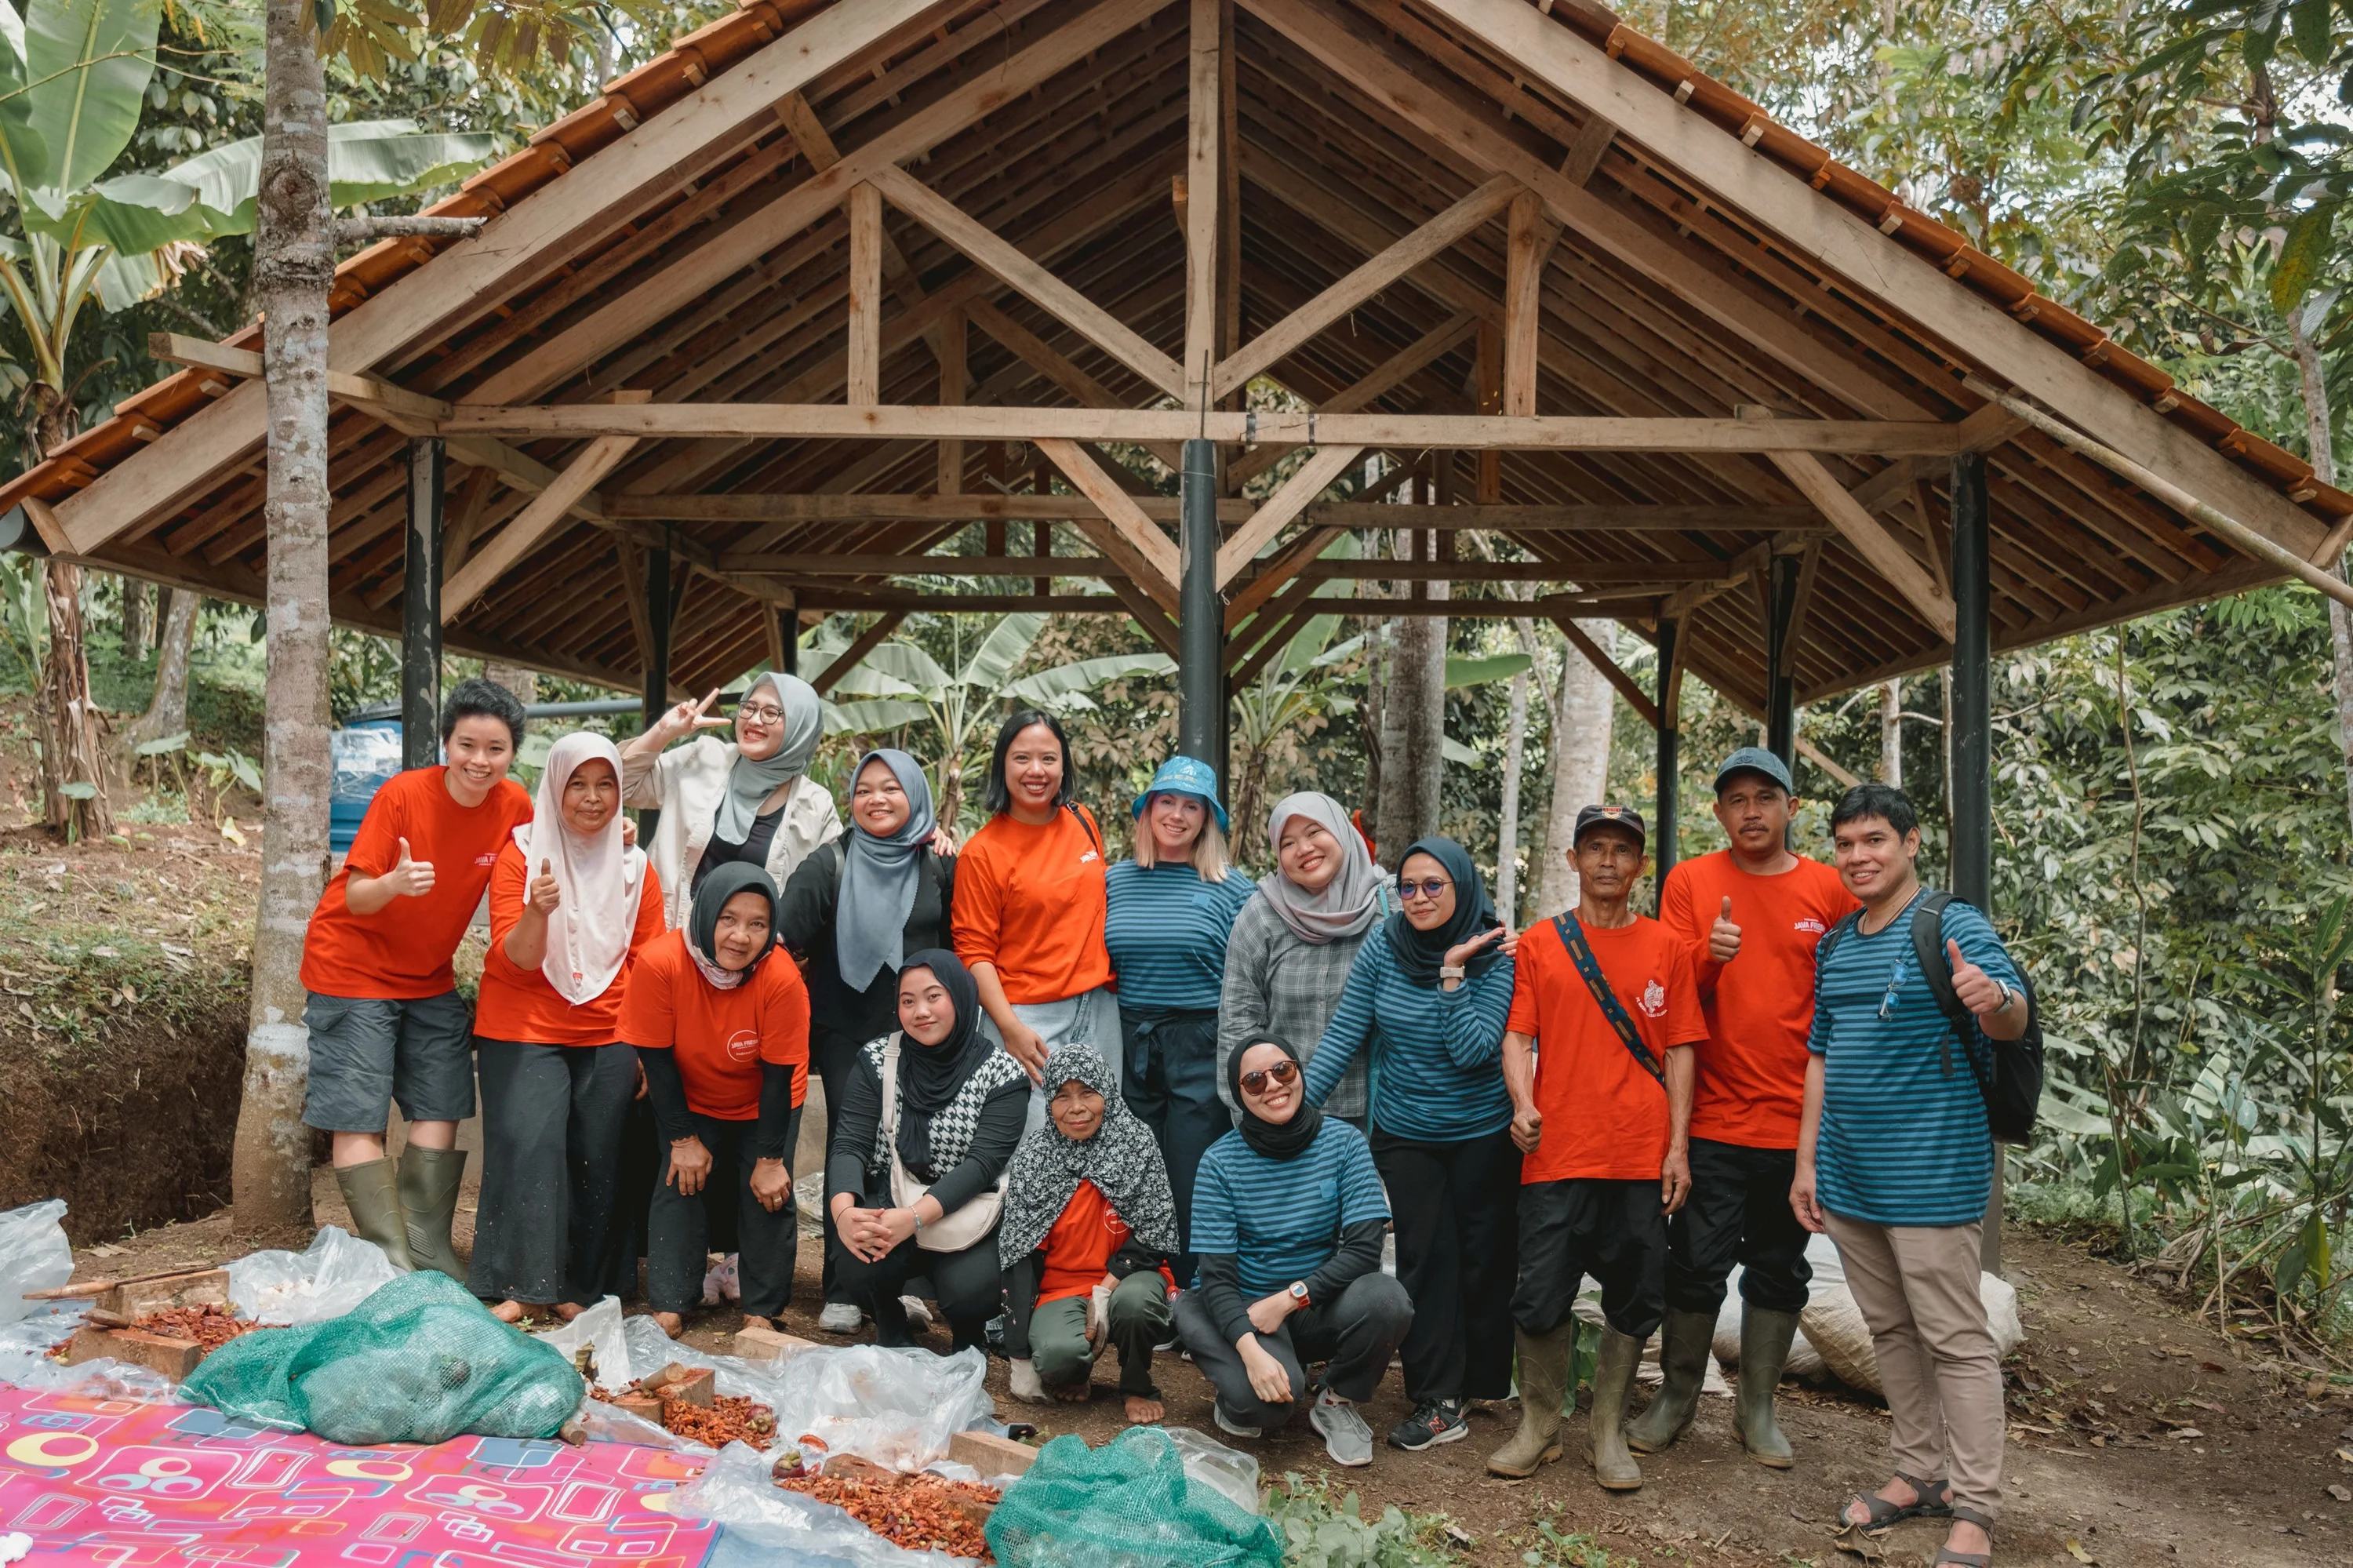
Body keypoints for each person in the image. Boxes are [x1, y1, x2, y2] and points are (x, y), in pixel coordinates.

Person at [1795, 784, 2024, 1568]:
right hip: (1852, 1177)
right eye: (1846, 843)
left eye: (1875, 841)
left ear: (1911, 842)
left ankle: (1977, 1504)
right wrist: (1807, 1161)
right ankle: (1918, 1472)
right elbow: (1820, 1057)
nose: (1859, 857)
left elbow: (2012, 1011)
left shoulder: (1949, 924)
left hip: (1934, 1176)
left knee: (1956, 1339)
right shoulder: (1836, 943)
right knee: (1890, 1329)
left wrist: (1990, 997)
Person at [1631, 748, 1860, 1464]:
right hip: (1711, 1117)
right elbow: (1664, 994)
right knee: (1695, 1261)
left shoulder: (1831, 888)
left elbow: (1852, 993)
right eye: (1736, 799)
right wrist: (1709, 955)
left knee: (1780, 1263)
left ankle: (1757, 1407)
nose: (1752, 810)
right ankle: (1677, 1396)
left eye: (1766, 796)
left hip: (1797, 1122)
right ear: (1720, 812)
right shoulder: (1692, 881)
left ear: (1794, 807)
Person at [1488, 805, 1707, 1491]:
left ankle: (1608, 1430)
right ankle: (1541, 1426)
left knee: (1637, 1293)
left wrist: (1678, 1147)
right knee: (1540, 1292)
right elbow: (1518, 1036)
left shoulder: (1667, 947)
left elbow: (1680, 1050)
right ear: (1573, 858)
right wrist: (1524, 1104)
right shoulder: (1543, 943)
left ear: (1640, 864)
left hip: (1639, 1156)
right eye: (1595, 848)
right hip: (1557, 1152)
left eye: (1622, 849)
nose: (1608, 860)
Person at [299, 677, 533, 1275]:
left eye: (495, 748)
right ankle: (390, 1258)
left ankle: (426, 1247)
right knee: (359, 1114)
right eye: (467, 745)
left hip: (427, 975)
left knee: (442, 1100)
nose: (480, 761)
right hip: (352, 967)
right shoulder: (403, 795)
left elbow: (560, 834)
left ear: (512, 753)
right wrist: (395, 884)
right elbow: (354, 894)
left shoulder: (515, 806)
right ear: (446, 744)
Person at [1304, 835, 1517, 1452]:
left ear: (1461, 886)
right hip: (1405, 1131)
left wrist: (1453, 974)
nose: (1418, 898)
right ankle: (1437, 1397)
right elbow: (1347, 1030)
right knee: (1426, 1258)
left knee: (1484, 1258)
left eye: (1433, 886)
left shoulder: (1495, 954)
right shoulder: (1386, 943)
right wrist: (1293, 1111)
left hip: (1482, 1132)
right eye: (1408, 887)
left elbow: (1475, 1050)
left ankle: (1479, 1381)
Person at [471, 733, 666, 1322]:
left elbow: (648, 966)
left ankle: (582, 1285)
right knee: (530, 1145)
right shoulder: (521, 856)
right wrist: (538, 910)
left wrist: (641, 1050)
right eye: (577, 784)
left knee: (598, 1154)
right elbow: (517, 959)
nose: (592, 797)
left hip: (610, 1029)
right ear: (554, 788)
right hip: (522, 1023)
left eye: (605, 783)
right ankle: (524, 1283)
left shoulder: (636, 868)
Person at [776, 748, 957, 1335]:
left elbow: (959, 947)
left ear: (915, 796)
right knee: (849, 1151)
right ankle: (844, 1286)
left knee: (916, 1152)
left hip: (923, 1033)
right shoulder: (828, 863)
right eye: (864, 790)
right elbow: (780, 939)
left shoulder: (938, 865)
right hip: (847, 1032)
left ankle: (902, 1284)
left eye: (892, 788)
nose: (877, 799)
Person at [1177, 1035, 1412, 1470]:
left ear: (1299, 1072)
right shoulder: (1219, 1161)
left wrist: (1290, 1299)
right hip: (1242, 1307)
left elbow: (1364, 1249)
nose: (1273, 1086)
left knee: (1388, 1299)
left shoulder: (1345, 1143)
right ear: (1240, 1095)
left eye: (1282, 1070)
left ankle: (1337, 1399)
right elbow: (1217, 1278)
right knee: (1263, 1411)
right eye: (1254, 1080)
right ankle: (1238, 1385)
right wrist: (1249, 1351)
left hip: (1308, 1303)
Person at [620, 862, 811, 1337]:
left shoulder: (781, 977)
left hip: (766, 1095)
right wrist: (682, 1138)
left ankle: (761, 1313)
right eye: (728, 919)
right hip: (690, 1091)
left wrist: (769, 1158)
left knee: (769, 1192)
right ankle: (670, 1302)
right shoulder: (662, 962)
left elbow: (778, 1075)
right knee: (679, 1179)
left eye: (757, 924)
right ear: (705, 914)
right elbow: (657, 1059)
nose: (741, 937)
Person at [827, 951, 1031, 1352]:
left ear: (960, 997)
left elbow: (982, 1165)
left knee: (971, 1290)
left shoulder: (1003, 1073)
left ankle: (968, 1337)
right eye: (908, 1001)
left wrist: (915, 1218)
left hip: (968, 1204)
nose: (921, 1011)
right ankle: (890, 1320)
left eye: (934, 996)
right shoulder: (877, 1059)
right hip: (894, 1192)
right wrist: (843, 1213)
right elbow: (849, 1143)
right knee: (855, 1257)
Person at [1104, 755, 1253, 1283]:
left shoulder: (1234, 888)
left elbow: (1266, 960)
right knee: (1136, 1169)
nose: (1177, 814)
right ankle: (1141, 1291)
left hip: (1201, 1040)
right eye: (1166, 800)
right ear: (1147, 811)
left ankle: (1196, 1292)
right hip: (1132, 1037)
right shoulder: (1114, 880)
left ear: (1207, 820)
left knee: (1192, 1174)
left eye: (1192, 805)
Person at [998, 1044, 1179, 1423]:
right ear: (1048, 1103)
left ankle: (1136, 1384)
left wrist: (1105, 1290)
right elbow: (1019, 1255)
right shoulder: (1035, 1159)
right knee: (1056, 1358)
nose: (1076, 1107)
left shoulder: (1136, 1144)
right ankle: (1078, 1374)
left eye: (1088, 1093)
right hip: (1061, 1288)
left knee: (1135, 1307)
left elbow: (1155, 1232)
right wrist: (1018, 1356)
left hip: (1130, 1276)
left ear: (1108, 1093)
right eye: (1062, 1096)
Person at [952, 710, 1120, 1111]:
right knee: (1033, 1153)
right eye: (1021, 758)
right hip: (1028, 1016)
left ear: (1064, 765)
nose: (1036, 770)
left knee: (1107, 1143)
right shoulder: (982, 852)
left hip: (1099, 1007)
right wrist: (1011, 1029)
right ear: (1002, 765)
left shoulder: (1082, 821)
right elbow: (974, 952)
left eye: (1049, 758)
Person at [1218, 791, 1391, 1131]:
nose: (1304, 849)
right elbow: (1237, 1023)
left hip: (1382, 1110)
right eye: (1288, 843)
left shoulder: (1391, 905)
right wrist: (1249, 1118)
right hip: (1287, 1113)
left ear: (1341, 831)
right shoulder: (1262, 914)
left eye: (1315, 832)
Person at [620, 671, 840, 930]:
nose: (755, 720)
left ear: (799, 727)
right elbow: (621, 785)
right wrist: (664, 731)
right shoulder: (703, 758)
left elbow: (829, 890)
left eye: (771, 713)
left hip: (753, 954)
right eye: (749, 707)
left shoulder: (816, 804)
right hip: (670, 938)